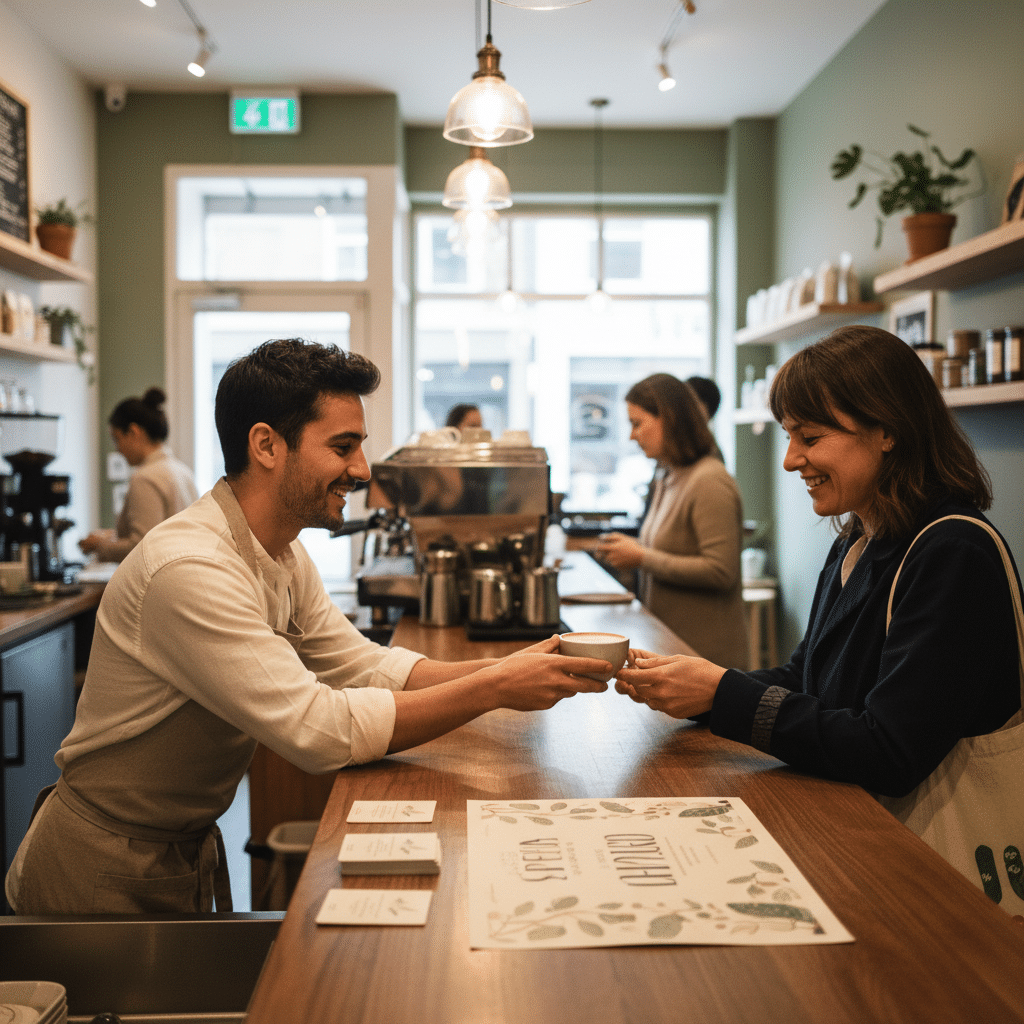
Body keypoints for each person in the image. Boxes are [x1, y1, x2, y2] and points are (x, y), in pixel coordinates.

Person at [6, 339, 609, 916]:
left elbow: (366, 666)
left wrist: (513, 667)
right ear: (267, 445)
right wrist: (495, 690)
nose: (363, 469)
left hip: (171, 851)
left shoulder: (282, 553)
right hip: (100, 866)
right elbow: (316, 730)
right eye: (343, 446)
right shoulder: (190, 568)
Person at [615, 326, 1022, 801]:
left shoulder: (953, 552)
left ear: (888, 430)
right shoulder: (859, 537)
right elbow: (805, 678)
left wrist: (725, 692)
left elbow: (889, 750)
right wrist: (699, 684)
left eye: (809, 436)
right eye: (790, 436)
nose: (790, 460)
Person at [596, 373, 748, 669]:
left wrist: (642, 556)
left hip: (708, 662)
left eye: (637, 424)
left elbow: (720, 571)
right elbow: (674, 547)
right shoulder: (669, 476)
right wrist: (636, 547)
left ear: (669, 419)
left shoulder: (709, 480)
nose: (631, 435)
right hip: (673, 650)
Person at [79, 387, 198, 561]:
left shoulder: (145, 477)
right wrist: (111, 536)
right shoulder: (182, 470)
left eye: (117, 438)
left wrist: (99, 546)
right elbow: (160, 531)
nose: (117, 449)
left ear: (134, 432)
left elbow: (142, 546)